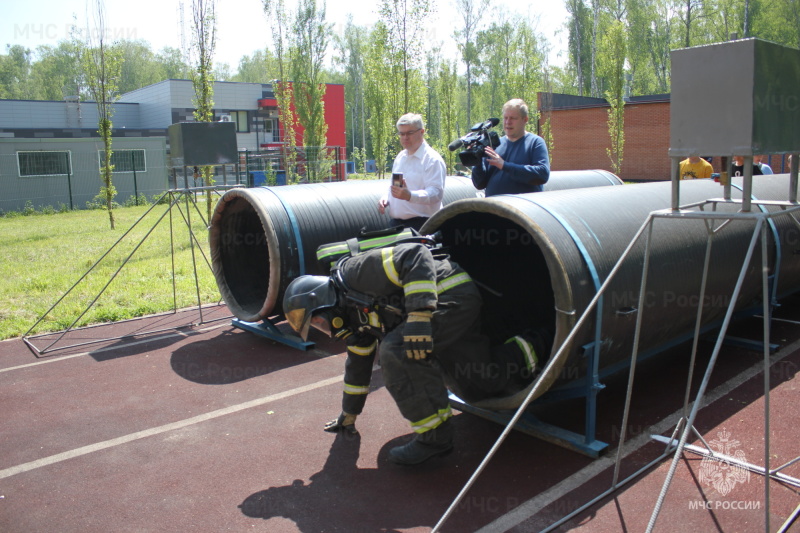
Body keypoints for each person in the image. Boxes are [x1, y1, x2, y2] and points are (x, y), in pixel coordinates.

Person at [283, 240, 549, 466]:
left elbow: (414, 254)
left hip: (449, 293)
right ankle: (541, 343)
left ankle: (435, 439)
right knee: (481, 382)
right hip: (442, 312)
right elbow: (357, 367)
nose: (323, 329)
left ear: (320, 300)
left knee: (395, 350)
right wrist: (349, 414)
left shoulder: (354, 274)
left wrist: (420, 315)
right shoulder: (355, 321)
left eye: (317, 322)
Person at [378, 114, 446, 231]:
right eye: (401, 133)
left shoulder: (432, 159)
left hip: (422, 224)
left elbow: (436, 193)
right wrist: (386, 198)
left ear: (422, 132)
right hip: (397, 224)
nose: (405, 137)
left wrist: (410, 196)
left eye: (409, 133)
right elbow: (397, 187)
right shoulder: (400, 157)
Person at [471, 99, 550, 196]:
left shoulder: (535, 143)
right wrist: (477, 161)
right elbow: (479, 184)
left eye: (513, 118)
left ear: (525, 119)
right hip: (494, 208)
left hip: (521, 209)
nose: (508, 122)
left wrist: (504, 165)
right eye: (505, 118)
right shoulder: (493, 145)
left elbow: (542, 174)